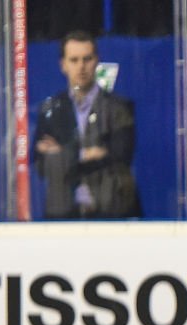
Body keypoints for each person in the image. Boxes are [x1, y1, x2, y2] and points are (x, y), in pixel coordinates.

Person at [33, 31, 140, 219]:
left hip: (113, 214)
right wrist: (89, 153)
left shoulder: (120, 108)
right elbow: (42, 166)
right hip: (63, 216)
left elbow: (121, 155)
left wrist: (62, 154)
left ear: (97, 61)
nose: (81, 67)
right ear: (63, 65)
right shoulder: (49, 110)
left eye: (87, 59)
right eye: (74, 60)